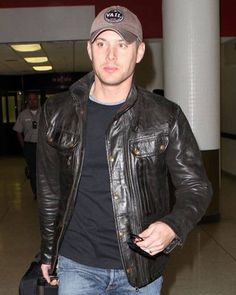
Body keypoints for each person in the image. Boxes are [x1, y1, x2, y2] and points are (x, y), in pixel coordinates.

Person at [37, 5, 212, 294]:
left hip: (141, 266)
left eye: (123, 44)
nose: (111, 55)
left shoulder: (165, 116)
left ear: (139, 52)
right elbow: (49, 190)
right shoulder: (56, 112)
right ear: (89, 50)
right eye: (101, 43)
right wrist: (47, 252)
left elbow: (196, 186)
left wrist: (172, 226)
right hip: (76, 263)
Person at [13, 92, 40, 199]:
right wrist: (24, 146)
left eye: (34, 99)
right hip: (29, 146)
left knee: (43, 170)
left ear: (38, 100)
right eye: (30, 99)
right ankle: (36, 192)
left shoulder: (45, 112)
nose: (32, 101)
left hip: (42, 147)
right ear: (27, 101)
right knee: (32, 170)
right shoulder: (23, 115)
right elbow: (18, 131)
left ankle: (44, 193)